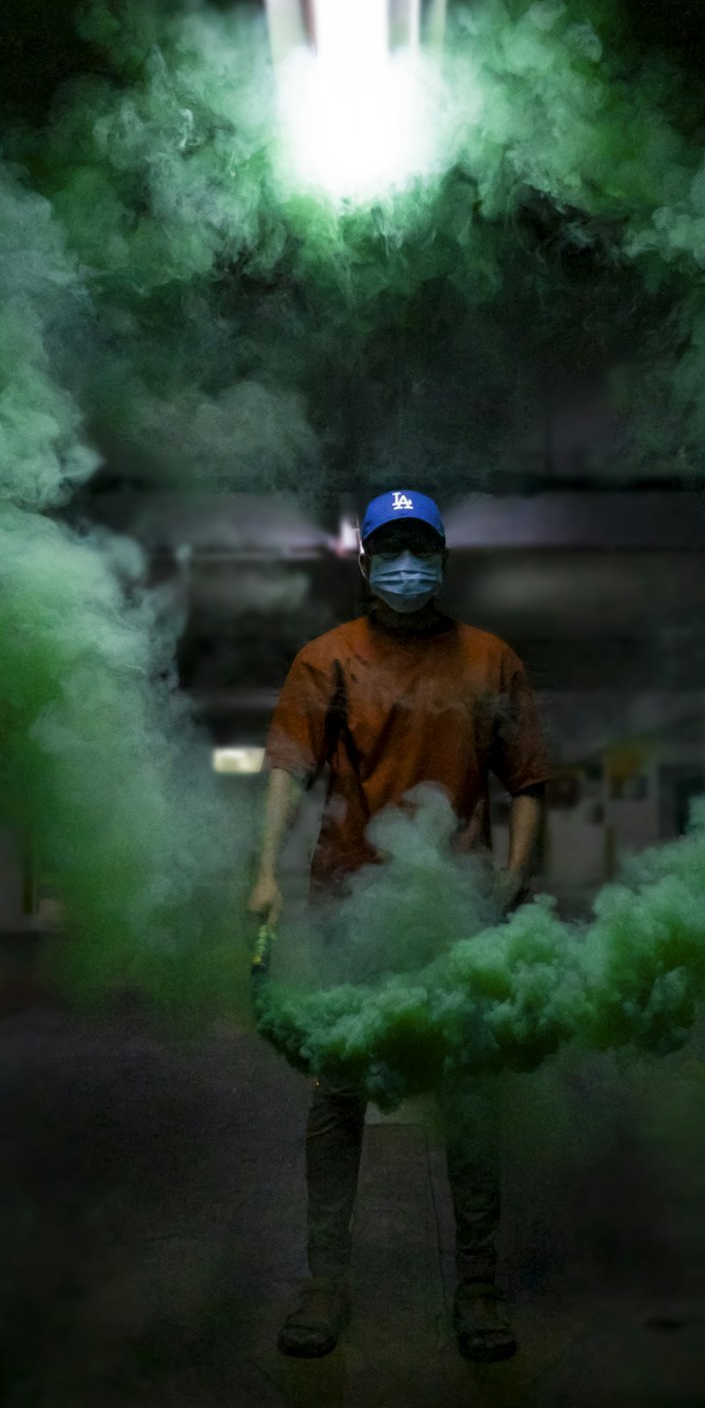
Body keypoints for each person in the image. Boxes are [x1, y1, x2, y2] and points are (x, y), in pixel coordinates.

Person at [247, 489, 549, 1362]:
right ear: (368, 562)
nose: (407, 565)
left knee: (468, 1094)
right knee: (339, 1092)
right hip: (349, 901)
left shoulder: (491, 658)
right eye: (392, 549)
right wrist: (266, 867)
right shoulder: (328, 657)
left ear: (442, 559)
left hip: (459, 908)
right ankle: (324, 1282)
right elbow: (287, 767)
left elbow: (526, 777)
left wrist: (517, 867)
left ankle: (480, 1290)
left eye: (422, 548)